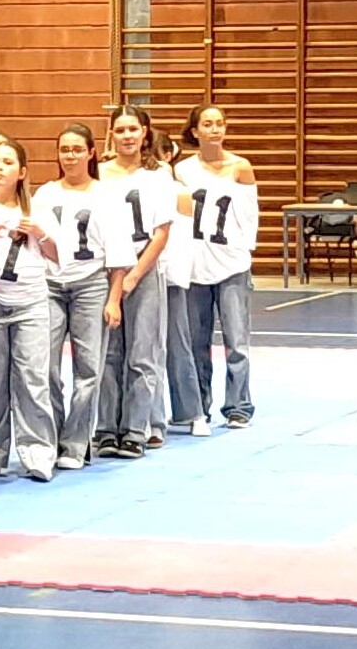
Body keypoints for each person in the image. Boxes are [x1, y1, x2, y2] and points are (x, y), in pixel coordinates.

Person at [0, 140, 58, 489]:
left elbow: (57, 256)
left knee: (33, 379)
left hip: (31, 303)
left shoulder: (37, 209)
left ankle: (39, 453)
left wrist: (39, 233)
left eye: (7, 162)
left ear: (22, 172)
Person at [32, 124, 121, 472]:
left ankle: (76, 443)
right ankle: (51, 438)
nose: (70, 156)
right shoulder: (45, 194)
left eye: (77, 149)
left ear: (90, 153)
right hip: (50, 286)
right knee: (45, 367)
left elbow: (118, 253)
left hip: (91, 284)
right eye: (64, 150)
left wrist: (114, 299)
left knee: (89, 369)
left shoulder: (105, 195)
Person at [97, 107, 181, 458]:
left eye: (133, 129)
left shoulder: (159, 174)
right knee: (108, 354)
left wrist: (132, 276)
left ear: (145, 132)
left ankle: (137, 428)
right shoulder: (100, 173)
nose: (127, 136)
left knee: (143, 353)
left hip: (143, 270)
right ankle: (106, 428)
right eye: (120, 130)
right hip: (104, 271)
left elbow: (161, 233)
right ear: (111, 135)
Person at [177, 104, 261, 429]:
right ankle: (199, 407)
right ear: (195, 131)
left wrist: (244, 253)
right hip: (194, 265)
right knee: (196, 343)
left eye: (219, 124)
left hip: (232, 265)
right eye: (207, 124)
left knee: (236, 342)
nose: (214, 129)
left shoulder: (241, 167)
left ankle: (239, 406)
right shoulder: (182, 171)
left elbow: (250, 217)